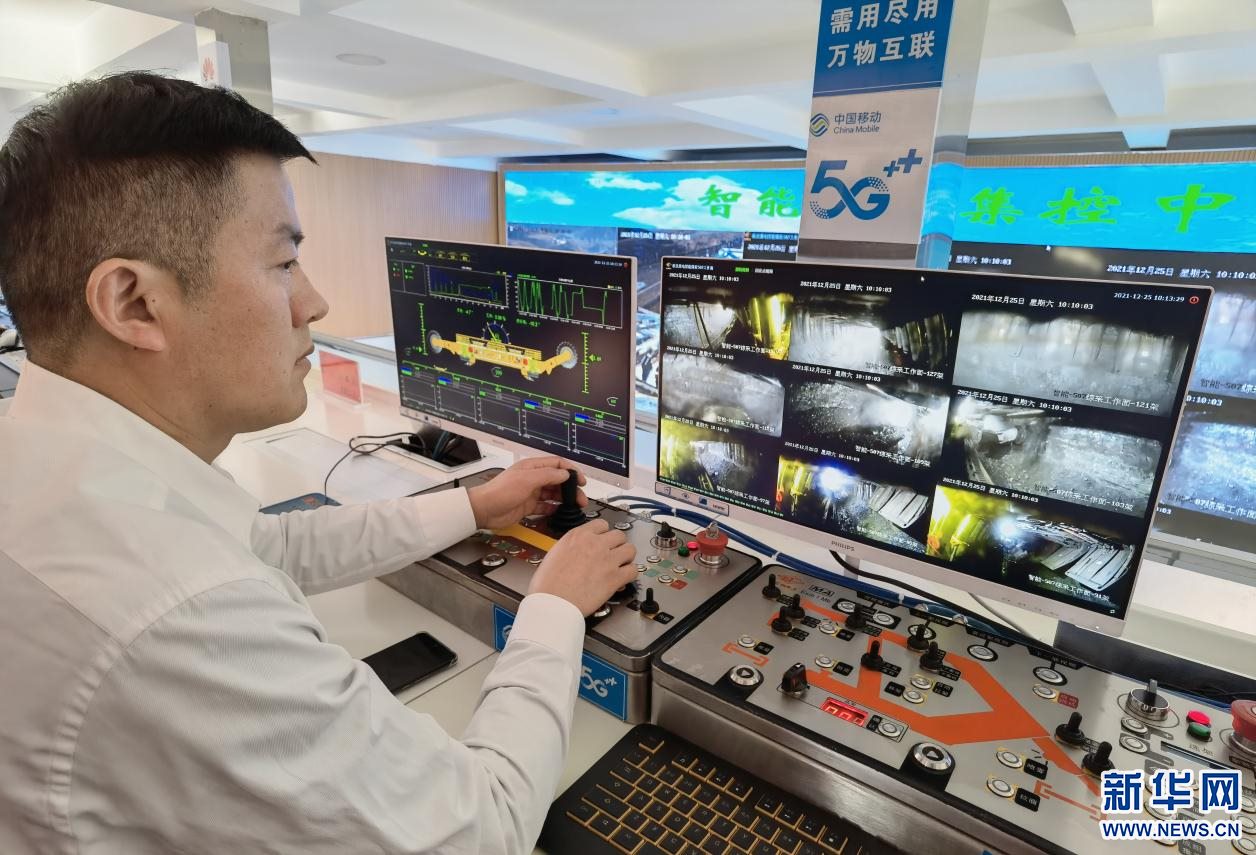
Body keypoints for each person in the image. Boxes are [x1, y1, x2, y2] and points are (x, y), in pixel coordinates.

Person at [0, 72, 638, 854]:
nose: (315, 302)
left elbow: (271, 544)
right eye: (282, 263)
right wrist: (554, 608)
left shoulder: (54, 465)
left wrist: (474, 505)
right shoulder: (179, 611)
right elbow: (483, 827)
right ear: (133, 303)